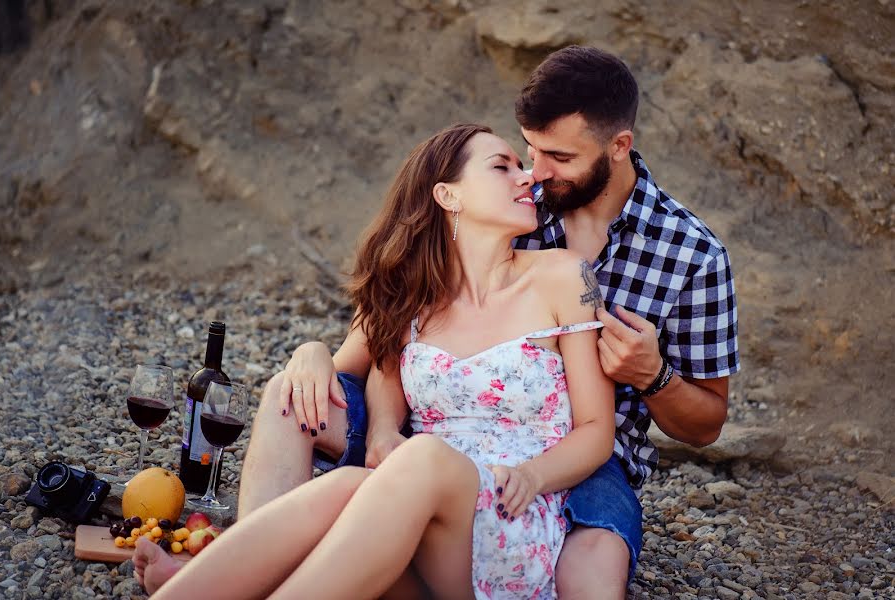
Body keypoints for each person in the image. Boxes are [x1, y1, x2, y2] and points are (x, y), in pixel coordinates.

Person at [237, 46, 740, 598]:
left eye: (559, 157)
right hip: (434, 417)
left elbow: (706, 423)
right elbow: (384, 328)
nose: (537, 173)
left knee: (589, 577)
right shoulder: (507, 203)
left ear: (619, 146)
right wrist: (315, 355)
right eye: (528, 150)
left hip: (580, 455)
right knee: (292, 397)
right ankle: (247, 561)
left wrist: (654, 375)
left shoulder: (692, 254)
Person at [134, 123, 616, 598]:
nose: (526, 176)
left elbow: (596, 428)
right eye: (502, 166)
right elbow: (376, 368)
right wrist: (371, 416)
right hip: (413, 507)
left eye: (521, 165)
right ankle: (209, 585)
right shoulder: (414, 291)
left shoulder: (566, 275)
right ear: (449, 196)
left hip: (508, 519)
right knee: (348, 480)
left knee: (418, 457)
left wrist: (533, 476)